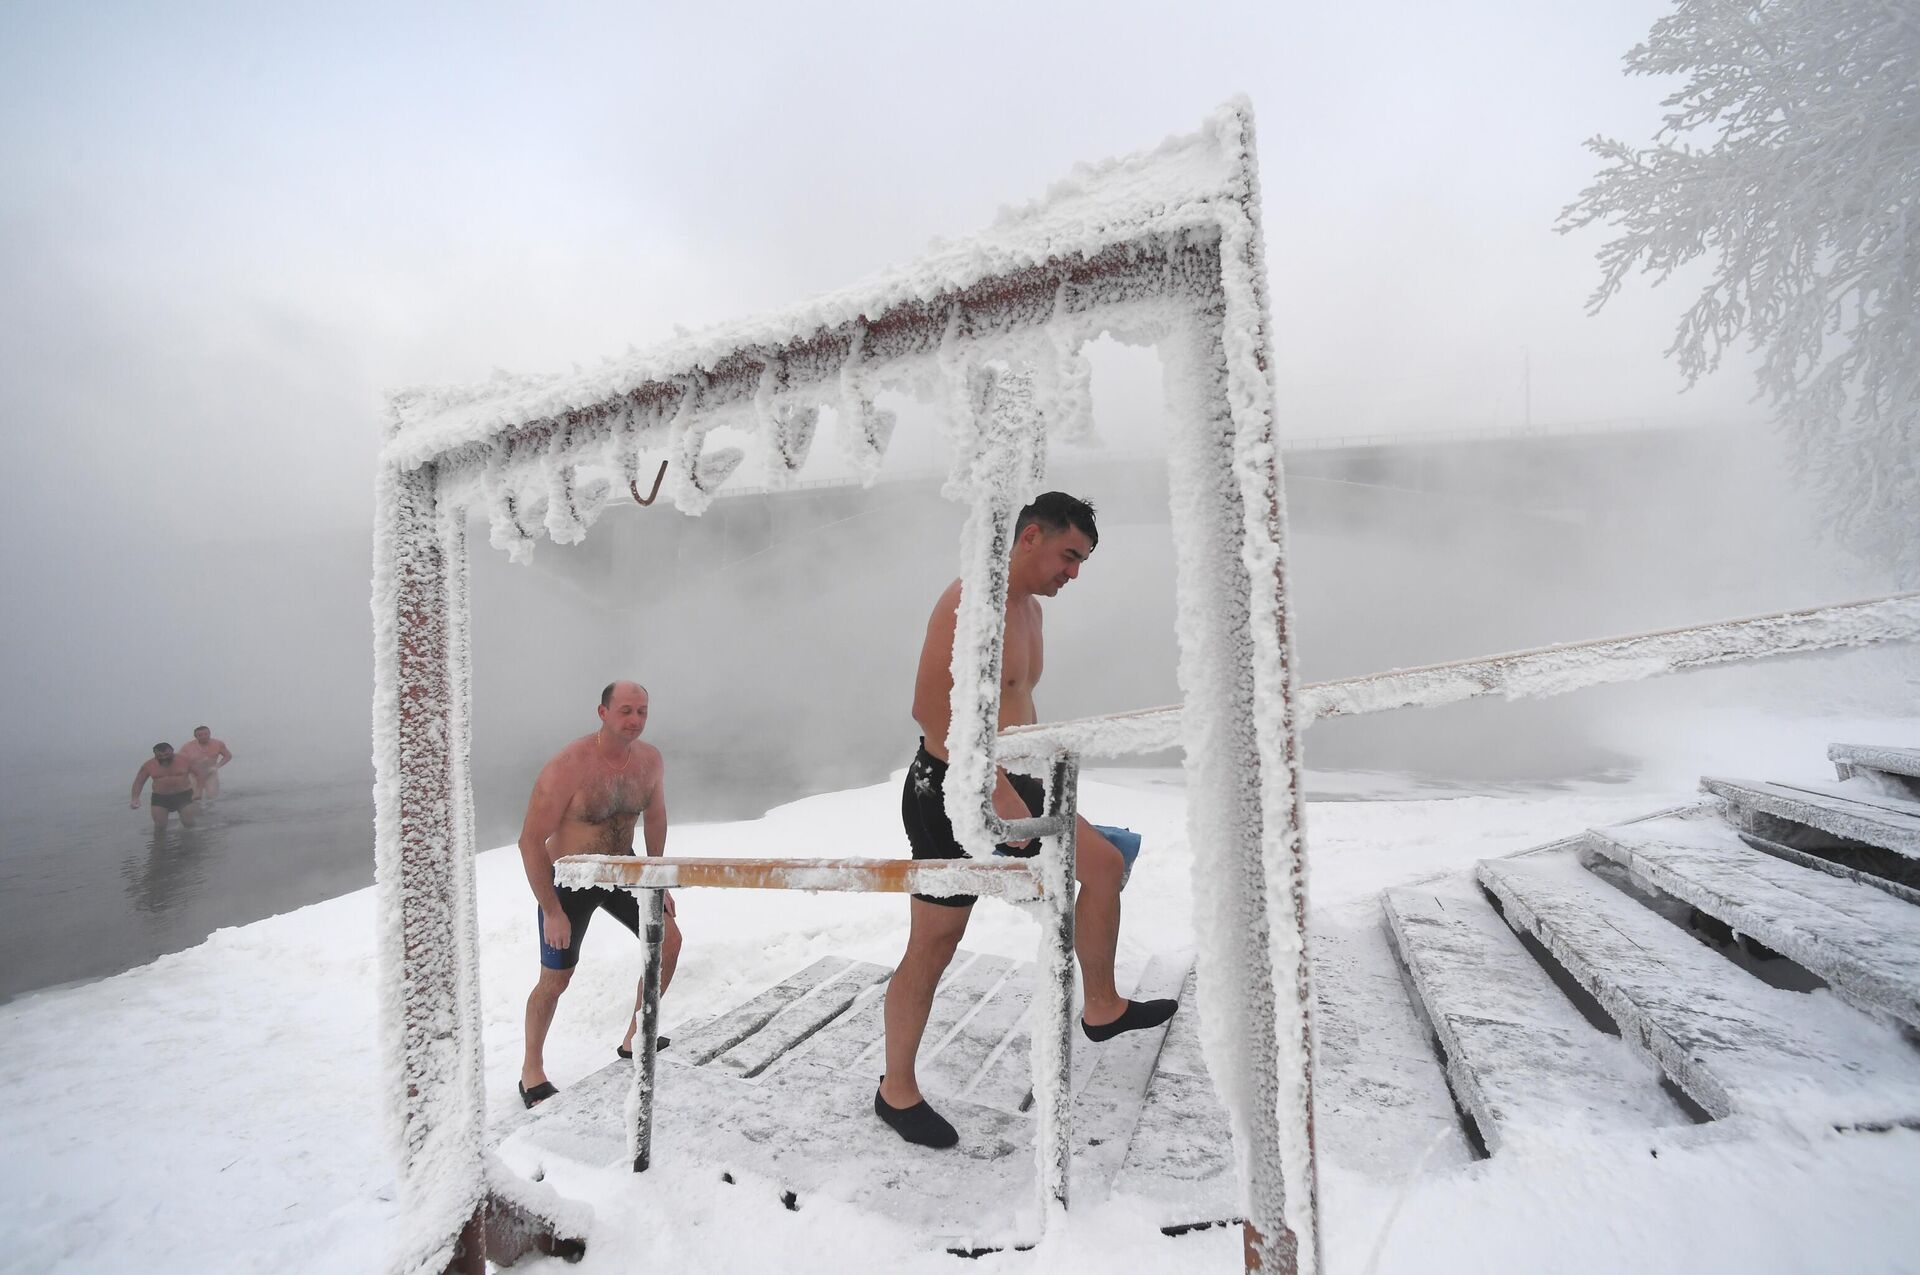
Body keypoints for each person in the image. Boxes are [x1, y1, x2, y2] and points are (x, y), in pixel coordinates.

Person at [876, 492, 1176, 1148]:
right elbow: (932, 712)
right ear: (1030, 536)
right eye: (1070, 556)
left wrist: (1036, 776)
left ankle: (1102, 1005)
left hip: (1015, 779)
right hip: (949, 791)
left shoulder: (1029, 609)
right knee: (935, 940)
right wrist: (1002, 803)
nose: (1074, 573)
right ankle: (895, 1089)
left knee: (1102, 864)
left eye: (1084, 562)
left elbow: (1017, 700)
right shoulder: (969, 604)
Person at [516, 681, 681, 1108]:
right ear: (602, 712)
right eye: (625, 711)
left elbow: (656, 817)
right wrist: (551, 910)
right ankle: (530, 1071)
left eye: (642, 712)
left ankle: (634, 1037)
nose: (635, 721)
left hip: (622, 867)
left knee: (669, 942)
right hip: (570, 878)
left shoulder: (649, 761)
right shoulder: (567, 767)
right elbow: (530, 841)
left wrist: (654, 877)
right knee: (556, 979)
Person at [131, 742, 197, 828]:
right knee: (159, 826)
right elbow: (139, 782)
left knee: (189, 823)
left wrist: (198, 791)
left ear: (172, 751)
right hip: (160, 798)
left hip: (184, 795)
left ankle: (193, 841)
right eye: (159, 756)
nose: (164, 757)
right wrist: (135, 798)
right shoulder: (148, 765)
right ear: (155, 754)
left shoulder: (185, 760)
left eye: (167, 754)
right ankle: (160, 841)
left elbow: (199, 774)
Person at [179, 726, 233, 806]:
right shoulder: (188, 746)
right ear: (195, 736)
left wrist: (217, 766)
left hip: (210, 773)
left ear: (209, 734)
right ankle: (197, 813)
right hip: (193, 775)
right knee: (195, 798)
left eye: (206, 734)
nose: (204, 736)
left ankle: (211, 815)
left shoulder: (218, 744)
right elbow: (179, 760)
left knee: (212, 797)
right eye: (200, 735)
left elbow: (228, 756)